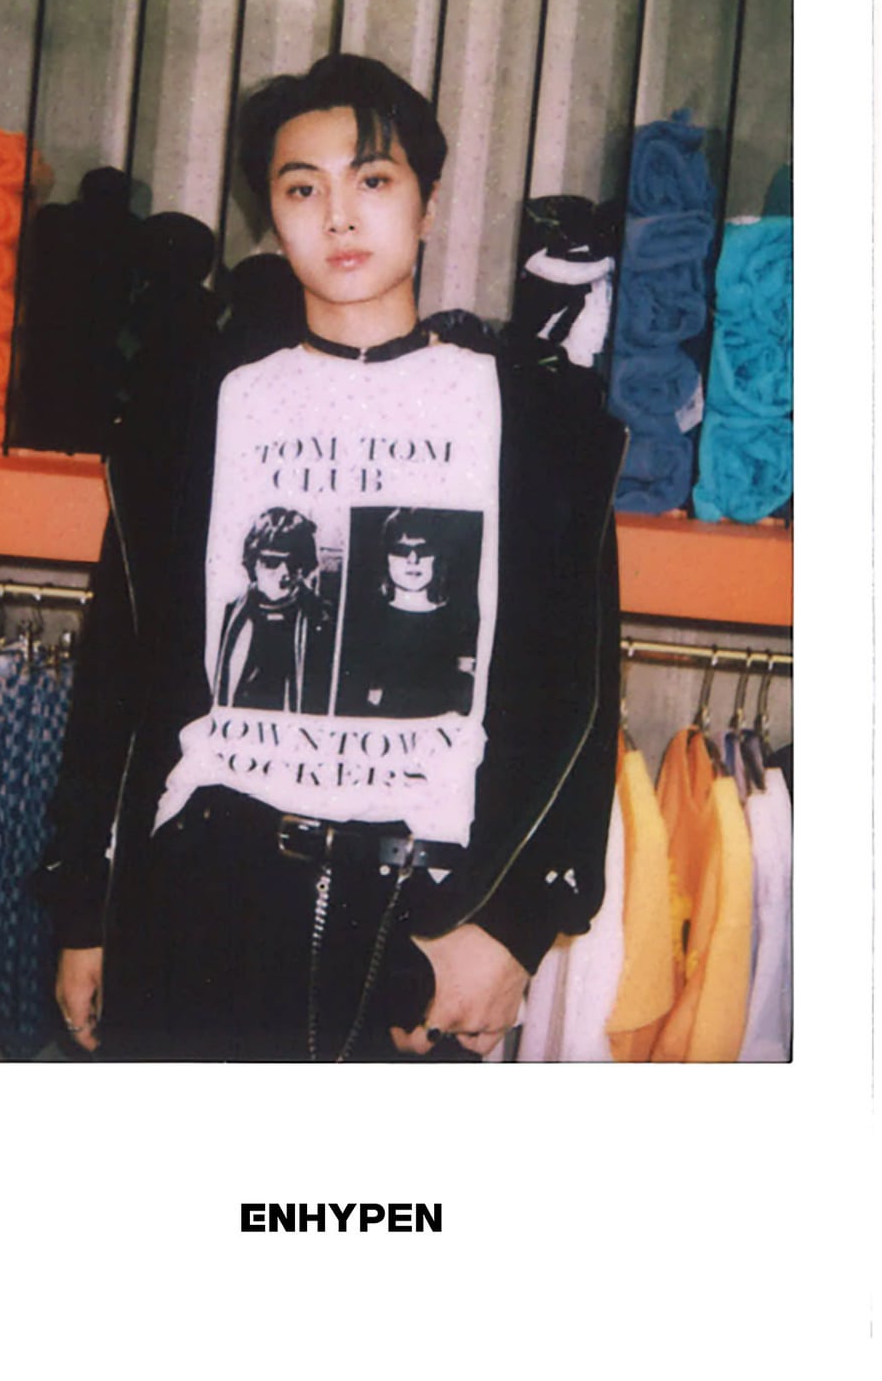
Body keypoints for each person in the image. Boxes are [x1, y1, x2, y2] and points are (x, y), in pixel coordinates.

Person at [40, 52, 626, 1063]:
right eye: (302, 188)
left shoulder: (532, 417)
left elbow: (580, 693)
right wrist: (85, 909)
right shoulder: (196, 410)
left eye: (374, 179)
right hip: (202, 900)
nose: (340, 216)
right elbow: (118, 673)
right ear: (271, 214)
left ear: (428, 202)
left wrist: (513, 926)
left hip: (427, 922)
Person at [336, 507, 478, 719]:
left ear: (437, 557)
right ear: (386, 557)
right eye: (401, 550)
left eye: (424, 549)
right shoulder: (366, 622)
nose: (413, 559)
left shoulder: (456, 621)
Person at [213, 506, 335, 712]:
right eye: (272, 562)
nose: (284, 573)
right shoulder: (231, 614)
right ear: (253, 563)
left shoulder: (321, 619)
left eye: (294, 563)